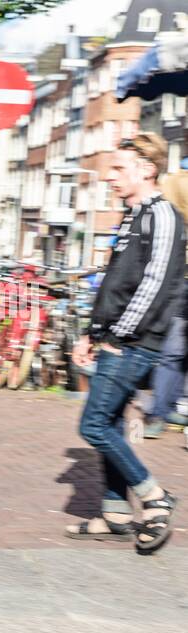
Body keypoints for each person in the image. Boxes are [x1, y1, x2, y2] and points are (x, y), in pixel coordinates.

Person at [67, 133, 183, 554]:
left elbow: (153, 285)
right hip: (116, 337)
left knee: (93, 424)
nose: (109, 176)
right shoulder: (132, 216)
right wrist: (91, 333)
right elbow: (115, 285)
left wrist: (116, 338)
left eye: (118, 168)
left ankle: (154, 497)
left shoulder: (163, 215)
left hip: (136, 341)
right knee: (111, 420)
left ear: (147, 169)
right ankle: (116, 512)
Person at [141, 164, 188, 438]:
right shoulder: (177, 181)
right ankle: (161, 411)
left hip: (179, 278)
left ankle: (159, 413)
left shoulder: (172, 182)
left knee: (173, 352)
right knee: (175, 351)